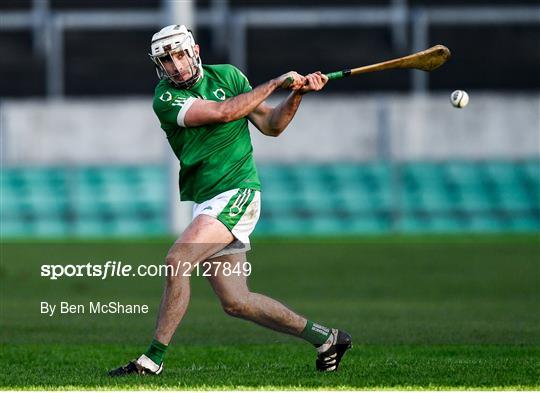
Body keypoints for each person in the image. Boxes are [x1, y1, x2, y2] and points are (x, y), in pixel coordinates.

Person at [108, 24, 351, 376]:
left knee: (177, 261)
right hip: (207, 199)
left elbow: (272, 125)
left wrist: (297, 94)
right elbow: (222, 113)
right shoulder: (164, 97)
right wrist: (273, 83)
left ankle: (151, 360)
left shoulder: (230, 76)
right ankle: (328, 338)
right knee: (236, 302)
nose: (175, 66)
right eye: (166, 60)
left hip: (237, 192)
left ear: (196, 50)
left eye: (179, 55)